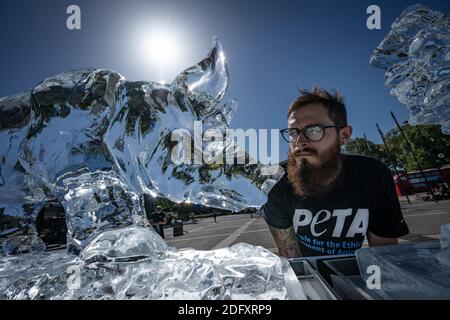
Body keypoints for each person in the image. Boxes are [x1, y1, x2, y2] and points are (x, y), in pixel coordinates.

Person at [263, 87, 410, 258]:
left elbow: (385, 257)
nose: (299, 141)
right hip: (309, 279)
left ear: (344, 135)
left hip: (358, 276)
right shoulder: (276, 181)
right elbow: (292, 259)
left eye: (315, 130)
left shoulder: (373, 175)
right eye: (292, 132)